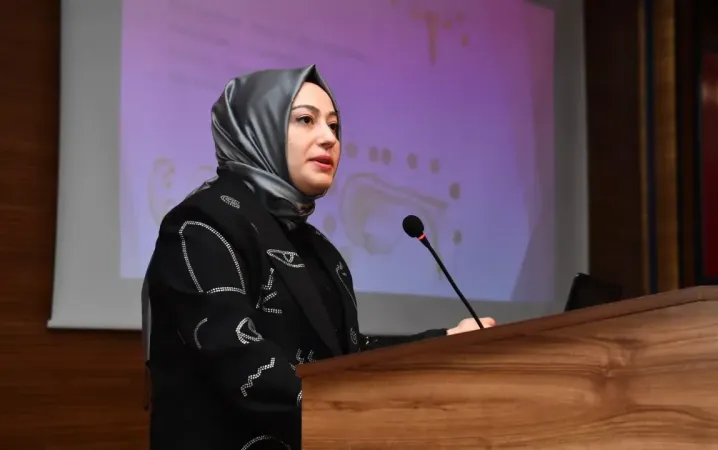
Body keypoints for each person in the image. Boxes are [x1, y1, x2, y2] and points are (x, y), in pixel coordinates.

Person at [141, 65, 495, 450]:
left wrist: (443, 344)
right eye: (306, 120)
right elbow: (241, 364)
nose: (329, 138)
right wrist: (374, 413)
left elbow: (347, 358)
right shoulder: (201, 225)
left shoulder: (320, 249)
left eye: (334, 126)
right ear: (257, 128)